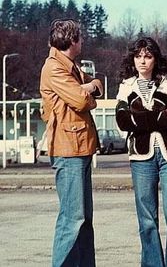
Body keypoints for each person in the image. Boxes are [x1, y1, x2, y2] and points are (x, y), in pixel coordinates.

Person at [116, 37, 167, 267]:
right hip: (141, 158)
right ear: (133, 59)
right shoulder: (126, 85)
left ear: (155, 59)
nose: (142, 61)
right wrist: (157, 117)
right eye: (138, 56)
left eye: (148, 56)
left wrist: (140, 119)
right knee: (147, 220)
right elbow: (122, 120)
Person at [40, 19, 103, 267]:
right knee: (72, 218)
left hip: (81, 147)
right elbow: (81, 101)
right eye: (81, 38)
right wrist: (85, 89)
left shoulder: (71, 67)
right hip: (68, 151)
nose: (83, 42)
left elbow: (96, 84)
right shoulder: (54, 68)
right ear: (72, 41)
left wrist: (87, 86)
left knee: (84, 219)